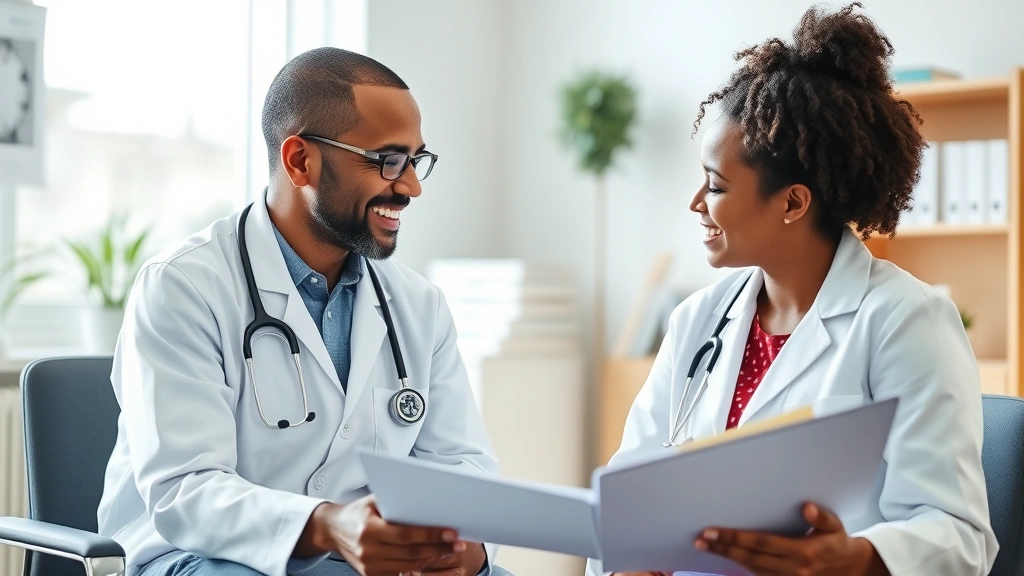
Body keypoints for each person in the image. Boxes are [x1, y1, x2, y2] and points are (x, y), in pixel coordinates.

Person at [590, 4, 997, 576]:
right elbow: (626, 494)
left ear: (792, 203)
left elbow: (958, 536)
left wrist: (855, 559)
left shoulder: (906, 320)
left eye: (715, 185)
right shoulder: (696, 321)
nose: (696, 204)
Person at [97, 47, 510, 576]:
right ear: (299, 161)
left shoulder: (418, 305)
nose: (410, 186)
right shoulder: (183, 286)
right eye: (388, 161)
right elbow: (186, 492)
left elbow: (461, 464)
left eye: (415, 160)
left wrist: (467, 550)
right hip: (198, 554)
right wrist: (327, 524)